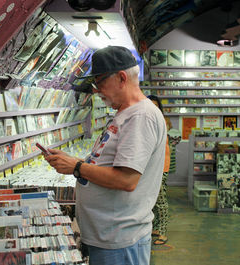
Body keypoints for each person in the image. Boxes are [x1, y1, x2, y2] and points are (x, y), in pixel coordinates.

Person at [43, 46, 167, 265]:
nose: (96, 90)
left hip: (120, 239)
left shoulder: (141, 117)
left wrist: (77, 166)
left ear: (121, 78)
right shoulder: (126, 113)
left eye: (100, 82)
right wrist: (71, 162)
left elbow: (126, 180)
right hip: (109, 236)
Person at [147, 95, 171, 245]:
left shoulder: (160, 122)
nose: (152, 109)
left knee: (161, 201)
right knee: (154, 200)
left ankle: (163, 233)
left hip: (160, 167)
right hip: (155, 167)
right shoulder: (152, 121)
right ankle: (156, 228)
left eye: (155, 106)